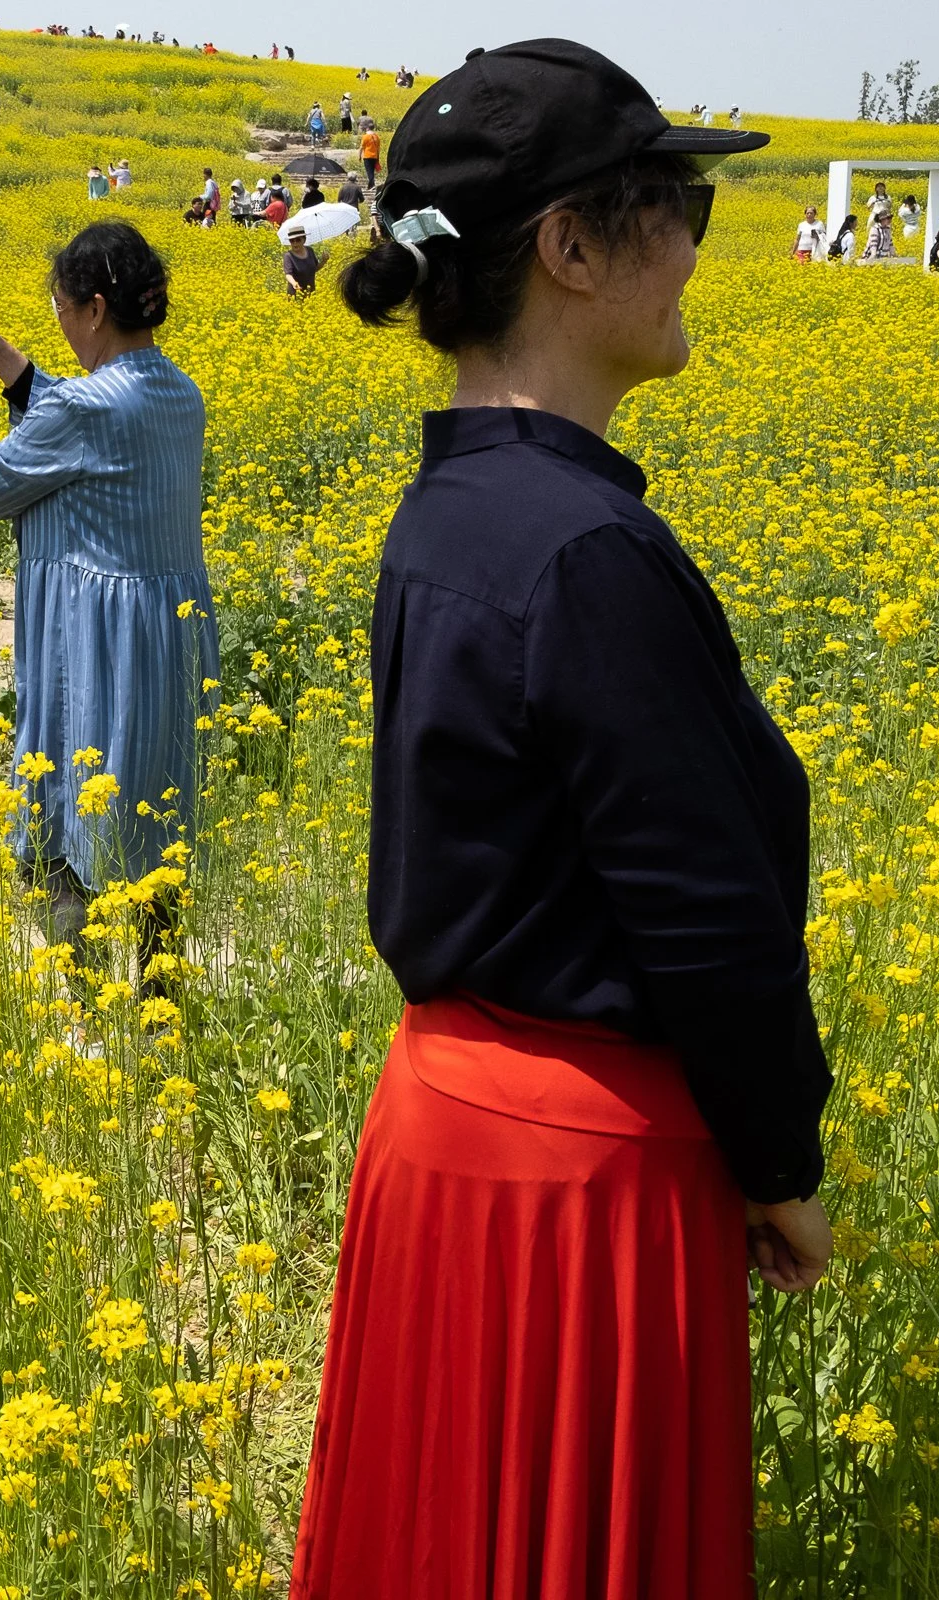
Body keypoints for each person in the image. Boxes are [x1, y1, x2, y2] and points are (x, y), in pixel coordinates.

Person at [291, 40, 829, 1600]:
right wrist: (777, 1163)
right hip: (583, 1187)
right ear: (571, 247)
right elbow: (704, 909)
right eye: (672, 202)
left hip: (450, 1144)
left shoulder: (450, 507)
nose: (693, 241)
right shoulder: (587, 547)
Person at [0, 220, 215, 964]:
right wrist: (14, 369)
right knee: (153, 800)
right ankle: (158, 998)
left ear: (92, 308)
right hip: (166, 632)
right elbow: (92, 429)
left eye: (59, 306)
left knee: (67, 789)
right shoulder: (180, 393)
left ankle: (83, 991)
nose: (58, 319)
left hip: (91, 639)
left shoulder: (82, 411)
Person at [282, 226, 320, 294]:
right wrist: (294, 283)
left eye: (298, 240)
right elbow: (288, 274)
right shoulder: (288, 256)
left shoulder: (310, 250)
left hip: (311, 292)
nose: (295, 243)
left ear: (304, 240)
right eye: (292, 241)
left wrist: (324, 261)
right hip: (296, 293)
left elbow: (315, 268)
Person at [862, 181, 893, 260]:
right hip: (875, 215)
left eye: (882, 186)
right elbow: (868, 206)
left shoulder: (888, 197)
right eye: (878, 187)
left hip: (884, 216)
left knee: (887, 232)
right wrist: (873, 202)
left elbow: (890, 206)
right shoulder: (873, 197)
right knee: (872, 230)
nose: (880, 188)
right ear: (876, 189)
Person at [359, 125, 382, 191]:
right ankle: (370, 186)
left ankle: (372, 185)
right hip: (374, 156)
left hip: (367, 156)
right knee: (371, 171)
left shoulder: (365, 136)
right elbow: (378, 148)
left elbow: (361, 147)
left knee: (369, 171)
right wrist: (378, 157)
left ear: (367, 128)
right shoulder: (376, 136)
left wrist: (359, 156)